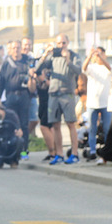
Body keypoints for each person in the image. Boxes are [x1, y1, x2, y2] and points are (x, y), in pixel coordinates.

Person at [36, 34, 81, 165]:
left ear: (68, 43)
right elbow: (37, 69)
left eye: (63, 43)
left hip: (67, 93)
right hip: (53, 94)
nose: (61, 46)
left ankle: (74, 153)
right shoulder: (53, 56)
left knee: (71, 123)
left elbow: (79, 71)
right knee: (55, 125)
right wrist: (45, 55)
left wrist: (68, 61)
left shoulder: (74, 55)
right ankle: (59, 154)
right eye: (59, 43)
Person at [0, 41, 35, 160]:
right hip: (10, 96)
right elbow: (1, 82)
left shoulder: (27, 61)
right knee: (10, 123)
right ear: (10, 49)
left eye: (18, 48)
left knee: (24, 124)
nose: (16, 50)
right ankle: (12, 151)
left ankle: (24, 151)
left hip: (24, 96)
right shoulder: (6, 63)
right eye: (14, 48)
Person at [82, 47, 112, 161]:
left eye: (101, 54)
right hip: (92, 103)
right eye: (97, 54)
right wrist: (90, 56)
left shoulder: (108, 67)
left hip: (105, 104)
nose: (98, 56)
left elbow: (111, 69)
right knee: (92, 128)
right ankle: (92, 150)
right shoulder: (92, 67)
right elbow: (84, 68)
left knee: (106, 128)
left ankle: (107, 150)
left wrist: (100, 57)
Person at [21, 37, 40, 140]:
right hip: (21, 93)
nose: (27, 47)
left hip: (32, 93)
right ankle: (23, 140)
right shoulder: (19, 58)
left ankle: (26, 137)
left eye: (29, 45)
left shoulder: (33, 58)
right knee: (22, 120)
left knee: (34, 119)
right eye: (25, 45)